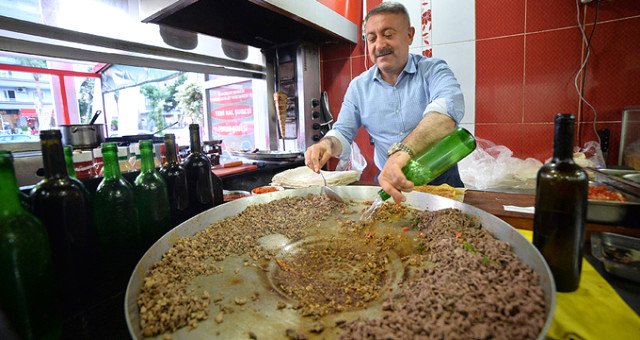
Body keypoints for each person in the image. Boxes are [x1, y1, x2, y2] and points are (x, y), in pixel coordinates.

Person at [304, 1, 465, 203]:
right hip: (389, 184)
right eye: (371, 38)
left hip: (441, 183)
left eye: (388, 35)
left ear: (409, 35)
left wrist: (400, 154)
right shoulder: (358, 87)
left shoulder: (433, 70)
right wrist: (326, 145)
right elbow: (343, 133)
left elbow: (445, 113)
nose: (379, 45)